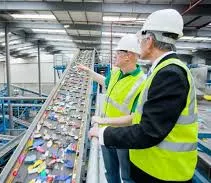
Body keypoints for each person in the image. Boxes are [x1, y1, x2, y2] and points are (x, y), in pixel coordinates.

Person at [88, 9, 198, 183]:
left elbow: (149, 131)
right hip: (153, 165)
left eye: (141, 38)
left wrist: (104, 133)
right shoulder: (161, 70)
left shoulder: (170, 74)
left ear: (150, 40)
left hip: (164, 171)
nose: (139, 43)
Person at [79, 34, 145, 183]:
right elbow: (105, 82)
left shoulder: (142, 82)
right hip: (105, 131)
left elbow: (133, 117)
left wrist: (102, 120)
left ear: (128, 56)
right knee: (110, 172)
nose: (115, 56)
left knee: (127, 176)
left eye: (118, 53)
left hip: (124, 136)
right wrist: (88, 72)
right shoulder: (116, 72)